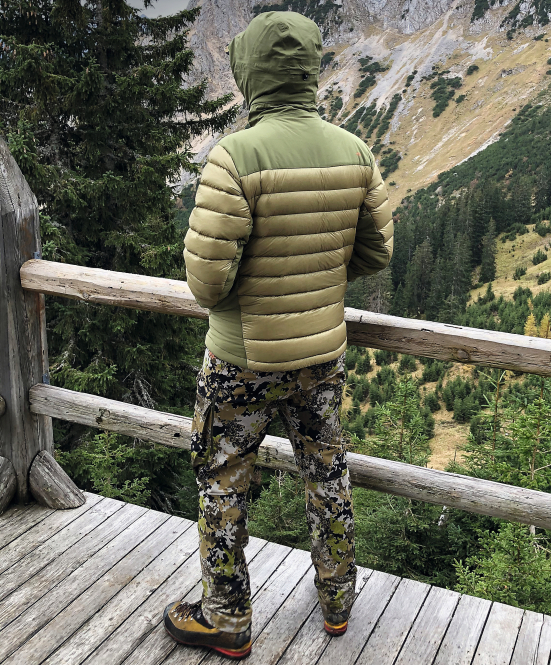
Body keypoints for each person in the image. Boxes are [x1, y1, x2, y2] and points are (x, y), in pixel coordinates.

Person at [163, 10, 393, 659]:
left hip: (241, 359)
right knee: (327, 472)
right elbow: (376, 252)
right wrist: (316, 277)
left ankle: (226, 617)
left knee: (222, 479)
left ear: (250, 71)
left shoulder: (236, 156)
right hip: (321, 355)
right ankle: (338, 601)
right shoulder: (354, 150)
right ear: (308, 69)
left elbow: (206, 283)